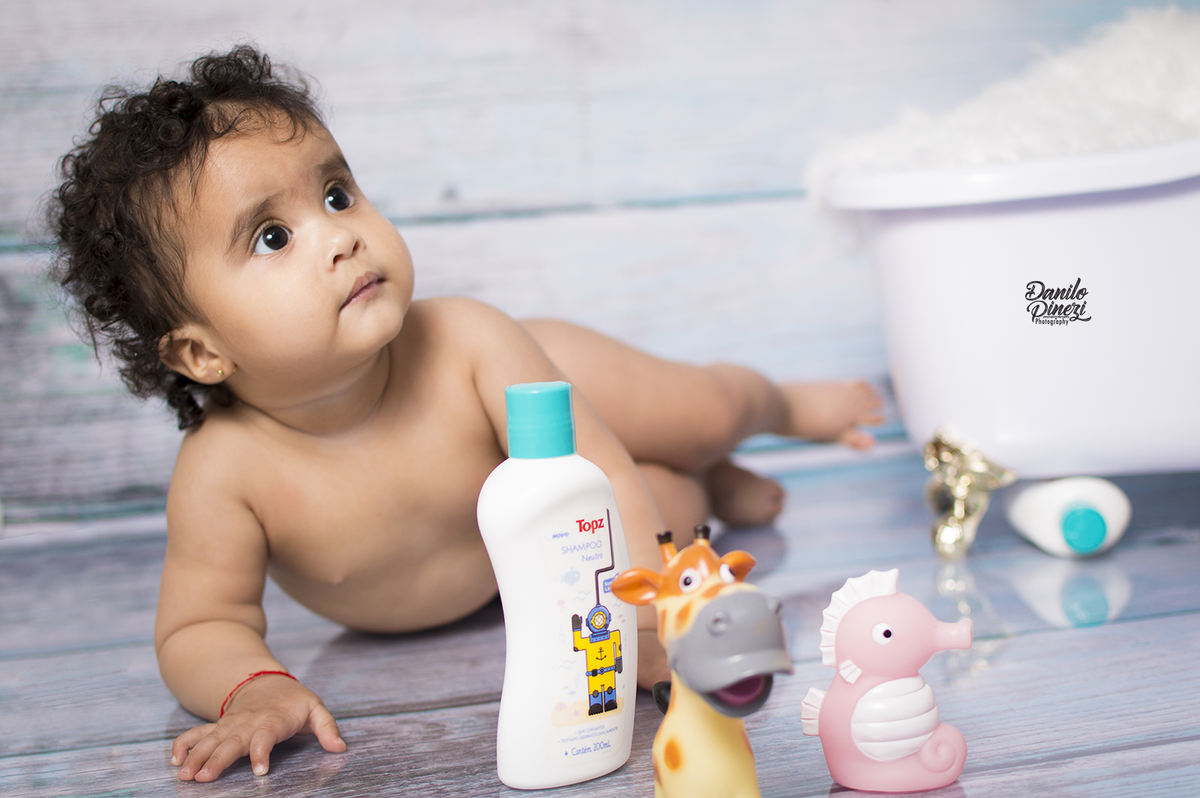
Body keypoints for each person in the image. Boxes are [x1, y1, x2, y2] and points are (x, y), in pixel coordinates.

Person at [48, 45, 882, 783]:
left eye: (337, 195)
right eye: (272, 237)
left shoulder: (466, 341)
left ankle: (780, 405)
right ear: (200, 353)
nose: (338, 236)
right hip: (532, 568)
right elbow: (202, 622)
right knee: (681, 507)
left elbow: (602, 483)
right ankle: (711, 480)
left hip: (557, 420)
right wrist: (256, 686)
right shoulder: (225, 472)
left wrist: (644, 627)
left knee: (695, 414)